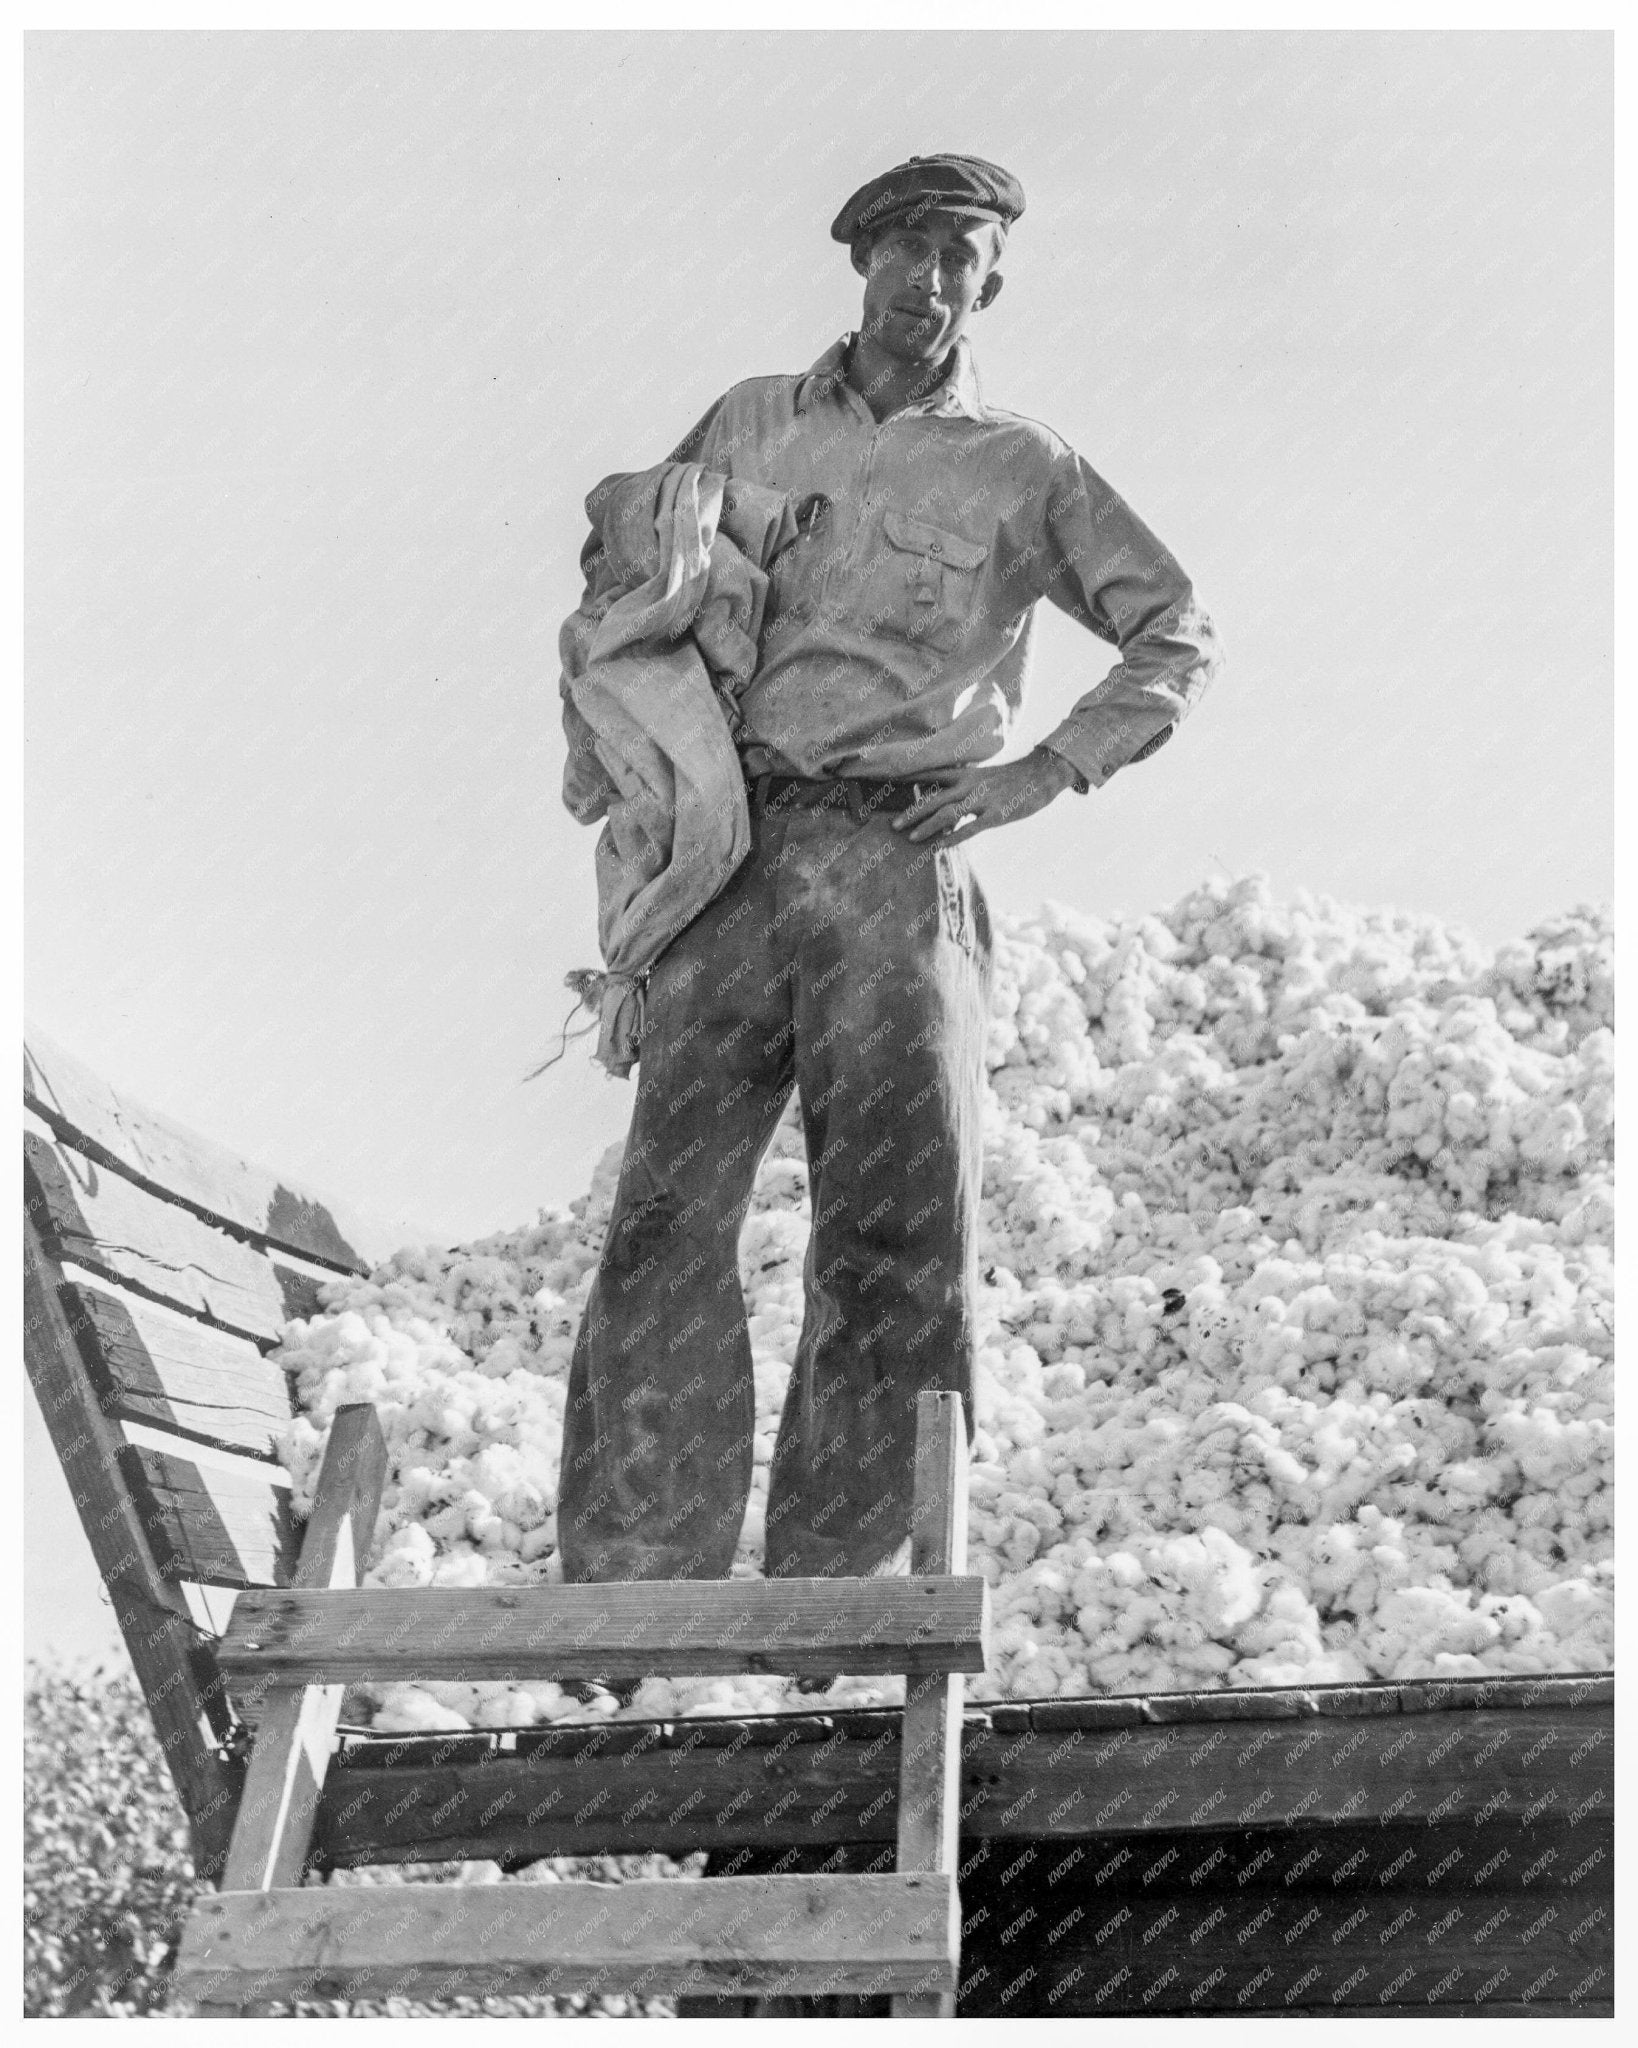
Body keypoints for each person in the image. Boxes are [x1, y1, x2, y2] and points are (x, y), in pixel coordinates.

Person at [555, 152, 1222, 1596]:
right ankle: (631, 1591)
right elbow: (628, 581)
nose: (928, 278)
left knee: (891, 1233)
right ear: (857, 264)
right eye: (903, 248)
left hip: (896, 862)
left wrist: (1041, 772)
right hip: (729, 863)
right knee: (669, 1214)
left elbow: (1173, 633)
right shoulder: (746, 422)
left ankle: (837, 1608)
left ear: (995, 279)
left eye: (959, 253)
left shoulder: (1023, 468)